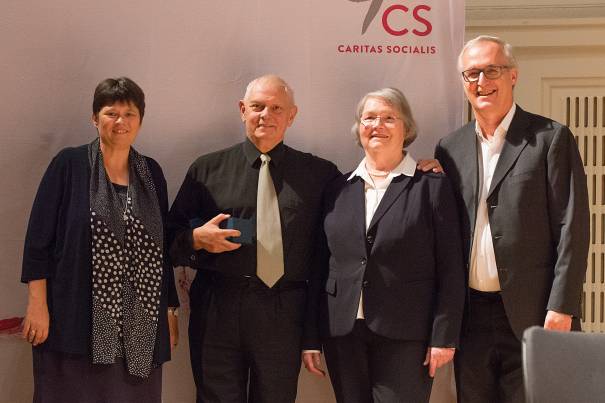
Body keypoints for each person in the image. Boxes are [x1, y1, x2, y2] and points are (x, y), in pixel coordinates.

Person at [167, 74, 341, 403]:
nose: (266, 115)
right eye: (258, 106)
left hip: (284, 309)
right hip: (218, 304)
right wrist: (195, 239)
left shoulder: (320, 175)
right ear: (242, 109)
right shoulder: (206, 170)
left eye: (277, 108)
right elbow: (168, 237)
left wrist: (421, 172)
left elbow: (339, 241)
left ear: (292, 115)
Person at [434, 36, 590, 403]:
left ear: (513, 75)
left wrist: (562, 306)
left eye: (492, 70)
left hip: (534, 313)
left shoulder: (549, 138)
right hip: (470, 317)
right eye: (472, 73)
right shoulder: (449, 148)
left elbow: (573, 228)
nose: (481, 82)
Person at [21, 77, 179, 403]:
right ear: (95, 118)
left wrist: (169, 311)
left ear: (140, 120)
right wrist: (37, 306)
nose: (120, 122)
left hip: (140, 330)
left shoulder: (151, 173)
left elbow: (160, 250)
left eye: (129, 114)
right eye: (111, 113)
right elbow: (38, 242)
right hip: (73, 323)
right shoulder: (70, 165)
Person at [303, 87, 465, 402]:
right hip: (343, 332)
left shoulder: (431, 187)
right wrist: (310, 337)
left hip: (408, 335)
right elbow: (319, 264)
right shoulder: (337, 188)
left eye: (389, 118)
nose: (378, 125)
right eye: (370, 118)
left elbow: (451, 268)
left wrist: (444, 336)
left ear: (407, 129)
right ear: (358, 128)